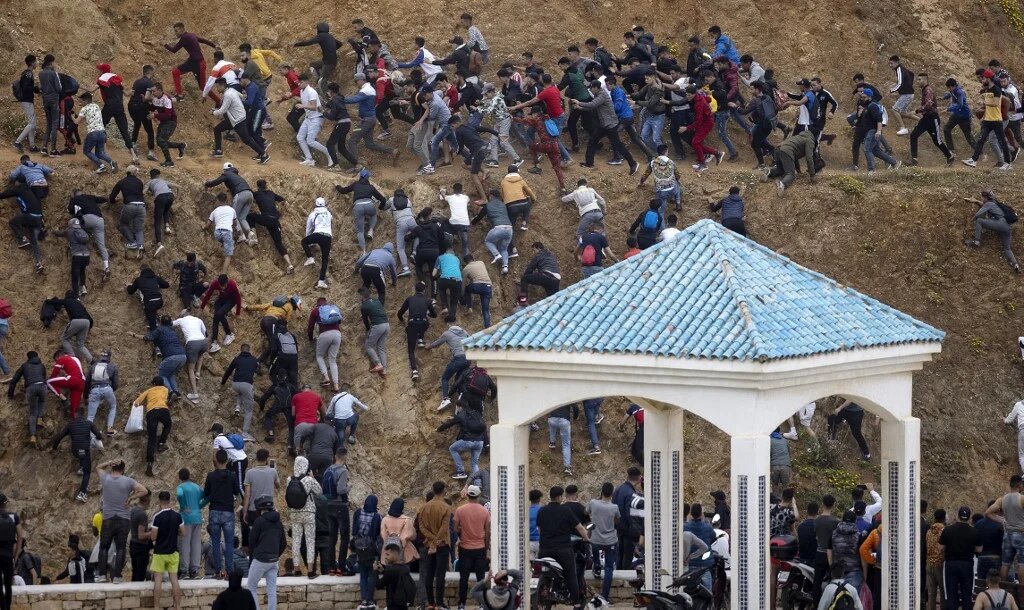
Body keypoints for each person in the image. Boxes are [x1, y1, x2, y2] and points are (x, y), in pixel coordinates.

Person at [536, 486, 590, 610]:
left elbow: (539, 530)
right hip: (563, 549)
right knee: (571, 575)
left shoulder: (542, 510)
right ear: (560, 497)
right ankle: (576, 604)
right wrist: (587, 538)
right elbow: (580, 527)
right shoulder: (565, 510)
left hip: (544, 549)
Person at [95, 459, 148, 583]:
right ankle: (117, 576)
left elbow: (98, 467)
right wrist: (131, 497)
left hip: (107, 518)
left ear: (112, 468)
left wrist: (109, 462)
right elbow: (144, 490)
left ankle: (102, 575)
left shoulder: (106, 479)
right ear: (123, 470)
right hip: (123, 518)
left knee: (104, 547)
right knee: (121, 548)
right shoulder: (128, 481)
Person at [49, 408, 102, 503]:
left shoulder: (71, 424)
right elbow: (98, 435)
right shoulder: (88, 423)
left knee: (81, 456)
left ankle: (81, 467)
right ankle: (82, 493)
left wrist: (54, 448)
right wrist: (98, 436)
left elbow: (59, 436)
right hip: (85, 450)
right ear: (84, 415)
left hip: (75, 451)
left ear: (76, 415)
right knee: (87, 472)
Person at [142, 490, 184, 610]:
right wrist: (175, 532)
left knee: (158, 581)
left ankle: (156, 607)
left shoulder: (157, 516)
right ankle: (178, 606)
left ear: (160, 501)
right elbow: (184, 532)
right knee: (174, 580)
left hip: (160, 552)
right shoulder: (177, 516)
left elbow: (154, 536)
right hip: (173, 552)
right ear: (170, 500)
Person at [963, 70, 1012, 170]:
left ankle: (1007, 163)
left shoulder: (996, 90)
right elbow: (987, 106)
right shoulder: (987, 90)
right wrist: (984, 115)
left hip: (996, 120)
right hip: (987, 120)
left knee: (1002, 141)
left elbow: (995, 103)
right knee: (981, 139)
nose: (982, 80)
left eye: (984, 78)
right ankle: (974, 160)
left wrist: (985, 101)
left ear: (988, 79)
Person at [204, 449, 241, 579]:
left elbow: (206, 492)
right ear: (227, 460)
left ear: (216, 460)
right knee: (229, 542)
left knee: (215, 542)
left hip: (214, 510)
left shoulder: (211, 476)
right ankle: (230, 571)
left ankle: (218, 571)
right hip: (228, 511)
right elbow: (237, 492)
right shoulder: (232, 475)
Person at [967, 189, 1020, 273]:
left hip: (999, 224)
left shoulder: (988, 204)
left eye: (982, 197)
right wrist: (975, 201)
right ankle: (1015, 265)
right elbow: (984, 205)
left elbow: (978, 214)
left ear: (985, 197)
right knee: (1007, 248)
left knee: (979, 221)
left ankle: (976, 242)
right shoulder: (995, 204)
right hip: (1007, 227)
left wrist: (970, 221)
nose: (981, 198)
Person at [418, 482, 454, 610]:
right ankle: (439, 603)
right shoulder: (446, 507)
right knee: (440, 575)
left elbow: (421, 526)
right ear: (444, 490)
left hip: (429, 545)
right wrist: (436, 541)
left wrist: (431, 541)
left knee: (429, 574)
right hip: (442, 544)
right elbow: (444, 528)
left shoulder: (423, 507)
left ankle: (431, 603)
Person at [247, 495, 286, 610]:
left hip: (261, 559)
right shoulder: (278, 522)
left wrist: (255, 555)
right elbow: (283, 543)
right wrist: (275, 555)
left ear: (260, 509)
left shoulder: (259, 521)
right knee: (272, 590)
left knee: (251, 586)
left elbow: (251, 542)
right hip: (274, 561)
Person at [908, 73, 954, 166]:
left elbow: (928, 105)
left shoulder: (928, 90)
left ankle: (950, 156)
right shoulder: (924, 90)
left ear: (925, 80)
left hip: (933, 118)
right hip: (926, 118)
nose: (918, 81)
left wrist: (916, 111)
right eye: (917, 79)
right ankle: (914, 160)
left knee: (937, 141)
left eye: (919, 79)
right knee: (913, 135)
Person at [288, 456, 322, 578]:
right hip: (308, 513)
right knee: (310, 541)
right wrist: (313, 478)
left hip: (294, 513)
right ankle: (310, 571)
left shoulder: (289, 479)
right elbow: (319, 492)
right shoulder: (308, 479)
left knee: (296, 541)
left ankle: (296, 569)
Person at [586, 482, 620, 605]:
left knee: (594, 549)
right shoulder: (614, 507)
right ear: (612, 494)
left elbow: (586, 512)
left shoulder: (593, 503)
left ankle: (597, 565)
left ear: (601, 491)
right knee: (609, 568)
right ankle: (605, 596)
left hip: (596, 539)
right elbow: (617, 520)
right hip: (611, 540)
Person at [164, 22, 217, 99]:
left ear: (182, 29)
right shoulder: (191, 35)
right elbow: (203, 40)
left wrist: (164, 45)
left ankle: (218, 101)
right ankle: (180, 95)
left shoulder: (184, 38)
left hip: (199, 64)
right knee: (175, 72)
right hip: (192, 62)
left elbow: (174, 50)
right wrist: (214, 46)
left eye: (176, 31)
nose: (175, 33)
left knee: (203, 87)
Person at [397, 281, 437, 381]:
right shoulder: (427, 301)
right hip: (423, 324)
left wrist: (402, 319)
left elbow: (400, 312)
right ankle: (420, 338)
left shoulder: (410, 299)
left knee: (411, 349)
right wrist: (428, 314)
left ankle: (414, 371)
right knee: (426, 323)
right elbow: (435, 315)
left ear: (415, 289)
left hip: (412, 325)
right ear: (424, 290)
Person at [133, 377, 172, 477]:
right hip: (163, 410)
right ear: (162, 383)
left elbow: (137, 403)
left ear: (154, 384)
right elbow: (168, 399)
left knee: (152, 438)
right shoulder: (165, 389)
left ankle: (149, 464)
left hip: (151, 412)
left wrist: (142, 397)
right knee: (167, 425)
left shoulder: (149, 390)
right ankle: (162, 443)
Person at [7, 351, 48, 447]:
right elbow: (44, 377)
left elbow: (14, 380)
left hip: (31, 388)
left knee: (33, 412)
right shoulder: (42, 365)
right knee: (42, 401)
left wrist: (10, 394)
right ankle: (40, 417)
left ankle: (33, 436)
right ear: (37, 356)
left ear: (28, 358)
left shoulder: (25, 365)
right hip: (42, 386)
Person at [940, 506, 977, 610]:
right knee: (967, 594)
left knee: (951, 594)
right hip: (967, 565)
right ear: (969, 518)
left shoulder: (948, 529)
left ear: (957, 516)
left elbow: (941, 547)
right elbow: (979, 549)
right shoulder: (973, 531)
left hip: (951, 564)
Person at [426, 324, 471, 409]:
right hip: (468, 359)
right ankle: (462, 399)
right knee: (459, 380)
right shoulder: (464, 332)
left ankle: (445, 399)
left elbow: (437, 343)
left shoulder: (447, 333)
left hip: (459, 358)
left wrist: (429, 346)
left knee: (445, 378)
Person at [322, 448, 351, 575]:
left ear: (335, 456)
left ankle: (331, 567)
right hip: (340, 505)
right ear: (344, 458)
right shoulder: (343, 471)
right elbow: (340, 490)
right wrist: (349, 487)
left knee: (332, 537)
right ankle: (341, 567)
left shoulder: (328, 470)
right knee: (344, 537)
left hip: (328, 505)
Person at [221, 344, 259, 437]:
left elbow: (229, 371)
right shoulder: (254, 360)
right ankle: (245, 433)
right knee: (249, 410)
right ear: (249, 350)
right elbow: (259, 371)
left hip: (235, 384)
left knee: (240, 392)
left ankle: (238, 406)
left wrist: (223, 382)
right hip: (246, 385)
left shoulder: (237, 359)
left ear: (241, 350)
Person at [352, 495, 383, 609]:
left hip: (359, 547)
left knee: (363, 574)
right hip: (371, 548)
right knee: (372, 573)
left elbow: (354, 530)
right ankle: (370, 599)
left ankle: (363, 599)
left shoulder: (358, 512)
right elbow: (377, 534)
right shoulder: (376, 516)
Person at [172, 309, 207, 402]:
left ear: (182, 316)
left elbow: (170, 324)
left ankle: (195, 393)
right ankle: (198, 372)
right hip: (203, 342)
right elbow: (204, 332)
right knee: (201, 354)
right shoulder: (198, 319)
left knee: (190, 368)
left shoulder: (182, 320)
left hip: (192, 343)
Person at [201, 274, 242, 353]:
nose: (223, 287)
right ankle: (214, 343)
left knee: (219, 314)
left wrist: (238, 313)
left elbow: (238, 298)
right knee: (216, 317)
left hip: (231, 300)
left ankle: (229, 334)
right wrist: (202, 307)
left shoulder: (232, 284)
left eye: (224, 286)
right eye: (221, 286)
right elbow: (208, 295)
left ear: (227, 282)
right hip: (222, 299)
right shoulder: (215, 283)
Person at [150, 82, 186, 167]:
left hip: (171, 122)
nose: (153, 93)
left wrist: (155, 115)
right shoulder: (155, 98)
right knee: (160, 142)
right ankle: (180, 145)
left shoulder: (166, 98)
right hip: (164, 122)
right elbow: (153, 107)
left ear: (159, 90)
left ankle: (169, 161)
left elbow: (167, 115)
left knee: (161, 140)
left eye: (154, 91)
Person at [812, 494, 839, 602]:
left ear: (823, 504)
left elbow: (816, 536)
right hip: (832, 555)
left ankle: (816, 604)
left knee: (817, 582)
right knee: (833, 581)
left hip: (819, 553)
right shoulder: (836, 522)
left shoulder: (817, 520)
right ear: (833, 505)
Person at [303, 197, 334, 289]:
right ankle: (321, 281)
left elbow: (308, 229)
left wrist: (309, 241)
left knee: (303, 242)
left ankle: (310, 258)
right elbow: (330, 221)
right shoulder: (328, 213)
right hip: (328, 236)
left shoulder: (313, 214)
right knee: (325, 259)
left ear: (315, 204)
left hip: (317, 234)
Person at [47, 348, 86, 420]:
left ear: (58, 356)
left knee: (49, 381)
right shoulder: (75, 359)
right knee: (74, 409)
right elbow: (79, 372)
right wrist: (65, 375)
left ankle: (64, 399)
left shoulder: (61, 359)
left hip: (73, 380)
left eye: (56, 360)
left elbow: (54, 374)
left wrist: (54, 378)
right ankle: (75, 421)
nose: (56, 362)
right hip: (82, 383)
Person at [359, 287, 390, 378]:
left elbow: (365, 320)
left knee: (368, 346)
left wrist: (368, 329)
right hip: (386, 325)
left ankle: (378, 364)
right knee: (381, 347)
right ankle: (384, 370)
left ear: (361, 296)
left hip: (378, 326)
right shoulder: (377, 301)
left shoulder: (364, 306)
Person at [375, 540, 415, 610]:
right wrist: (384, 571)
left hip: (393, 605)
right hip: (403, 604)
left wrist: (375, 571)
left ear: (395, 554)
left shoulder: (391, 570)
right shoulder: (405, 568)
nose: (385, 557)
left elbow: (378, 585)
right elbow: (394, 577)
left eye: (388, 554)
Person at [13, 55, 39, 153]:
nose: (37, 63)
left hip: (27, 100)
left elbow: (27, 86)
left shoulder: (26, 73)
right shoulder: (28, 74)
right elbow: (27, 88)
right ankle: (17, 142)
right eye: (36, 61)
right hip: (27, 100)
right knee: (32, 123)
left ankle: (32, 146)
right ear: (32, 63)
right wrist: (36, 89)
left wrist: (36, 89)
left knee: (33, 123)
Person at [59, 291, 93, 363]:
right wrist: (90, 326)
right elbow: (89, 317)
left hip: (76, 321)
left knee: (64, 339)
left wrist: (48, 301)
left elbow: (57, 302)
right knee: (80, 345)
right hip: (87, 322)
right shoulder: (79, 303)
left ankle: (73, 358)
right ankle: (92, 361)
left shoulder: (67, 300)